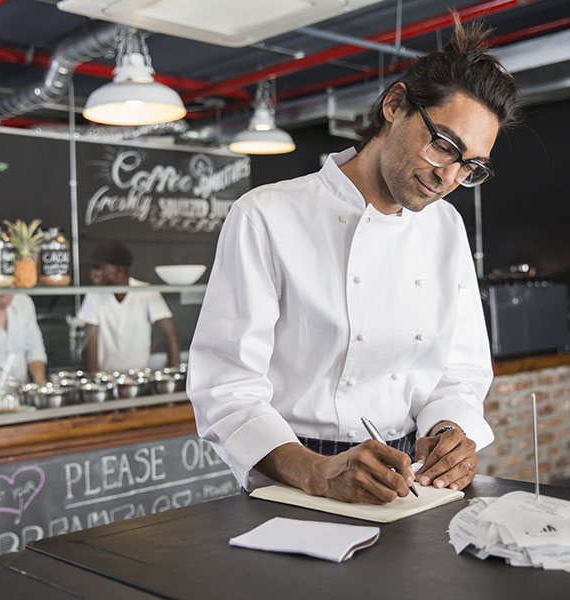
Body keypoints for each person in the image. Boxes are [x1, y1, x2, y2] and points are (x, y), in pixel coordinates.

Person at [187, 17, 522, 504]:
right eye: (444, 145)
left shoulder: (445, 228)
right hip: (293, 477)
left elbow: (459, 370)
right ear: (395, 105)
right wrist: (316, 472)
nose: (448, 176)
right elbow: (227, 386)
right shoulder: (267, 214)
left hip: (407, 481)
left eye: (469, 166)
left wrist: (450, 430)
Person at [78, 242, 180, 373]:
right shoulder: (94, 295)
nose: (92, 274)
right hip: (107, 379)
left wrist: (172, 375)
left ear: (119, 270)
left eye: (98, 268)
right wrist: (94, 382)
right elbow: (91, 343)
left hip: (140, 378)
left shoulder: (146, 291)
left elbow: (171, 335)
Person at [0, 294, 47, 384]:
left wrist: (40, 382)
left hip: (20, 391)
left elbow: (34, 348)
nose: (3, 296)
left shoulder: (24, 302)